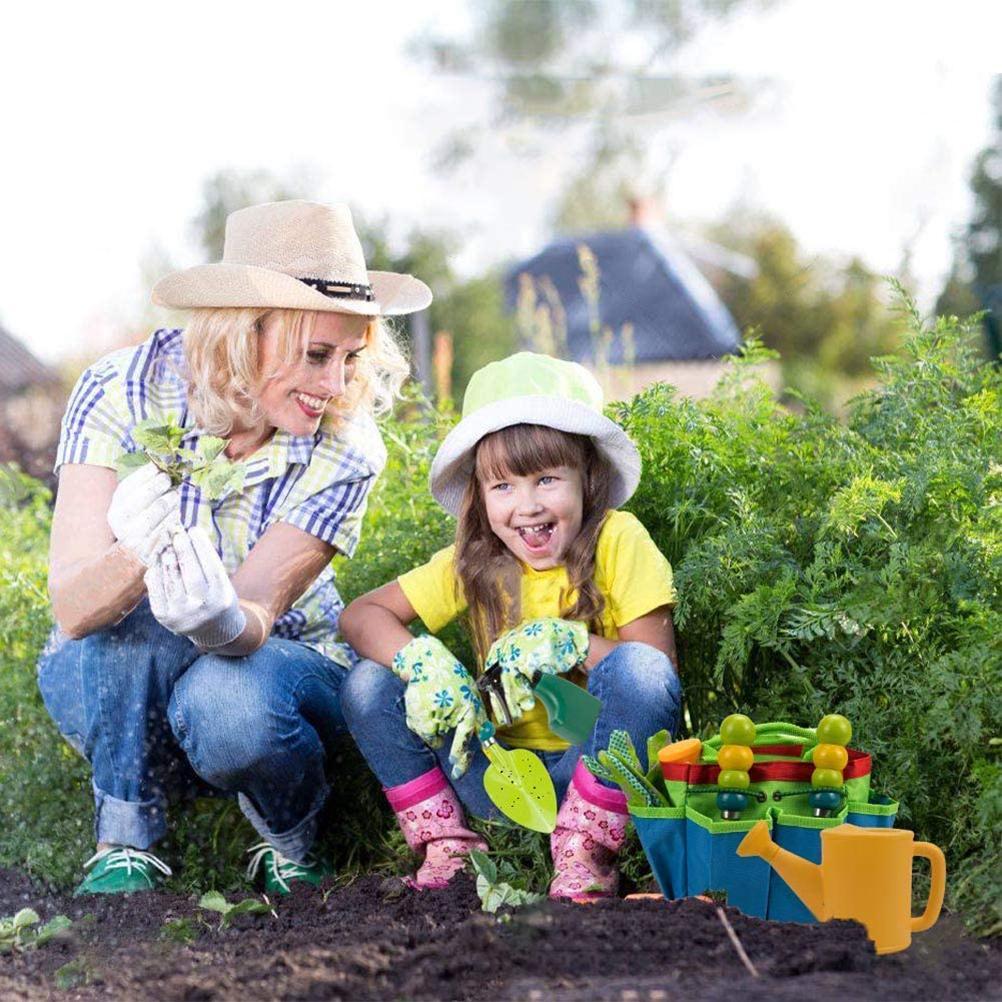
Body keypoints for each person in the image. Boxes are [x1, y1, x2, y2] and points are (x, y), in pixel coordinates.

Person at [38, 200, 431, 895]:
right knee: (135, 626)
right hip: (112, 682)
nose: (334, 386)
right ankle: (127, 839)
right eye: (316, 355)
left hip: (269, 673)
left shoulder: (345, 446)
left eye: (348, 358)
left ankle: (289, 838)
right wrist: (136, 550)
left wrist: (215, 617)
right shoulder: (121, 392)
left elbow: (255, 608)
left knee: (231, 700)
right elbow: (73, 610)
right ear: (244, 333)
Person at [339, 352, 681, 900]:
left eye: (547, 479)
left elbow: (655, 673)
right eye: (502, 486)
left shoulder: (619, 539)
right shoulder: (478, 559)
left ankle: (586, 852)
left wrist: (570, 642)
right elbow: (360, 616)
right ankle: (450, 845)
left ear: (588, 480)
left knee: (638, 670)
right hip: (495, 771)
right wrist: (424, 664)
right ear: (479, 496)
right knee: (366, 682)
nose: (526, 506)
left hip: (592, 768)